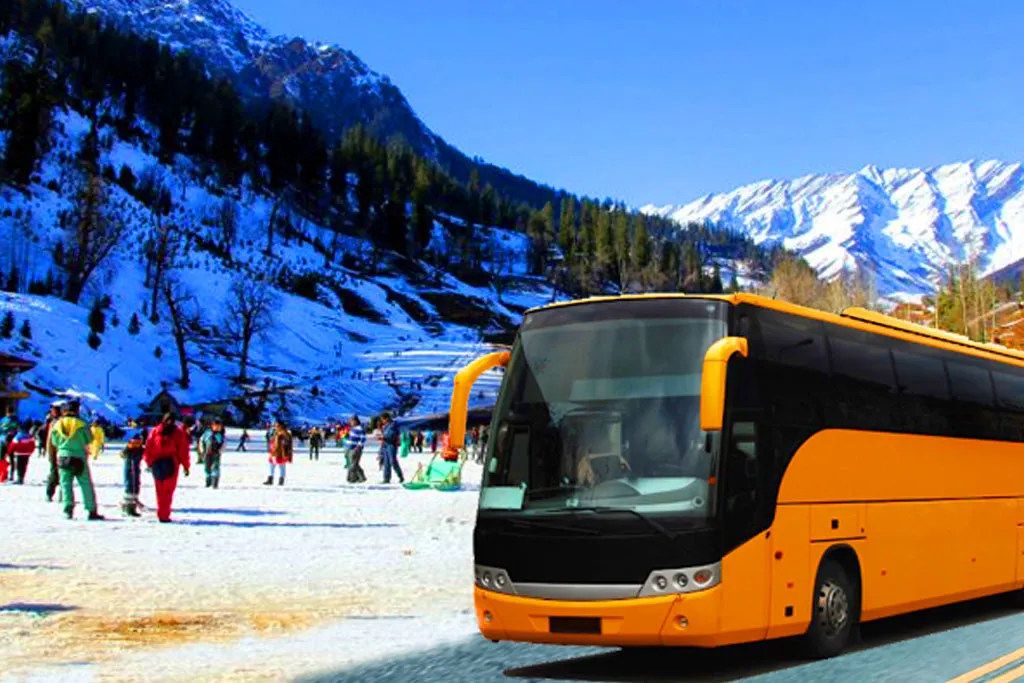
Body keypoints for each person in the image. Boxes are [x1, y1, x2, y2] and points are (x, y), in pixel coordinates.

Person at [48, 400, 104, 520]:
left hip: (63, 456)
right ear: (77, 410)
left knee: (65, 484)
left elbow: (54, 441)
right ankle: (91, 510)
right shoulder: (81, 424)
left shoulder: (57, 424)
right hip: (79, 457)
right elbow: (89, 439)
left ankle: (68, 509)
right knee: (85, 484)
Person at [144, 413, 191, 523]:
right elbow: (183, 451)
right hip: (169, 463)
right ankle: (163, 515)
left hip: (159, 463)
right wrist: (186, 466)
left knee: (161, 491)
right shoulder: (177, 433)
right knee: (166, 491)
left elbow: (148, 447)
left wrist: (149, 462)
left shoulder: (155, 431)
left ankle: (162, 514)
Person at [120, 423, 146, 517]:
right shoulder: (130, 450)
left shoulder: (139, 450)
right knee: (130, 489)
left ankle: (130, 506)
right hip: (130, 473)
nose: (137, 444)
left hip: (135, 472)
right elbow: (123, 454)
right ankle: (129, 508)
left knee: (134, 488)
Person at [40, 404, 60, 501]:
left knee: (58, 473)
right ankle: (50, 494)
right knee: (55, 473)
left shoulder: (57, 422)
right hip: (54, 451)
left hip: (58, 451)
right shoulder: (51, 422)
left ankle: (56, 494)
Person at [200, 418, 227, 489]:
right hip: (207, 453)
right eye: (215, 426)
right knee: (207, 467)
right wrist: (202, 451)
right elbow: (201, 441)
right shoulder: (207, 433)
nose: (217, 428)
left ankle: (215, 482)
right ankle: (208, 480)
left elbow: (224, 444)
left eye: (219, 426)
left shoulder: (221, 435)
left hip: (216, 454)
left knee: (215, 467)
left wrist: (220, 451)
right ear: (212, 426)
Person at [378, 412, 403, 484]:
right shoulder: (385, 426)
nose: (382, 421)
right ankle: (386, 479)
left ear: (387, 418)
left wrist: (383, 437)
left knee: (393, 461)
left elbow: (392, 435)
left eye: (383, 419)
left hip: (391, 445)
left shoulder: (393, 425)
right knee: (386, 463)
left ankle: (400, 476)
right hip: (386, 445)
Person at [264, 421, 292, 486]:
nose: (275, 426)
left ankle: (279, 480)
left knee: (280, 466)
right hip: (275, 452)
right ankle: (272, 479)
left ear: (280, 426)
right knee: (273, 465)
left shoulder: (283, 433)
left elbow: (285, 444)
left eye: (277, 425)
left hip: (279, 453)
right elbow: (272, 441)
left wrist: (285, 453)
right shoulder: (277, 432)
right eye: (275, 425)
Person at [344, 415, 366, 483]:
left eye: (352, 421)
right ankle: (359, 477)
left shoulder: (360, 428)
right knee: (352, 463)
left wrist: (358, 446)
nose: (350, 422)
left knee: (353, 464)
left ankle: (352, 478)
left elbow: (363, 438)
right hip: (349, 447)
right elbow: (350, 437)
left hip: (355, 448)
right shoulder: (353, 428)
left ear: (355, 421)